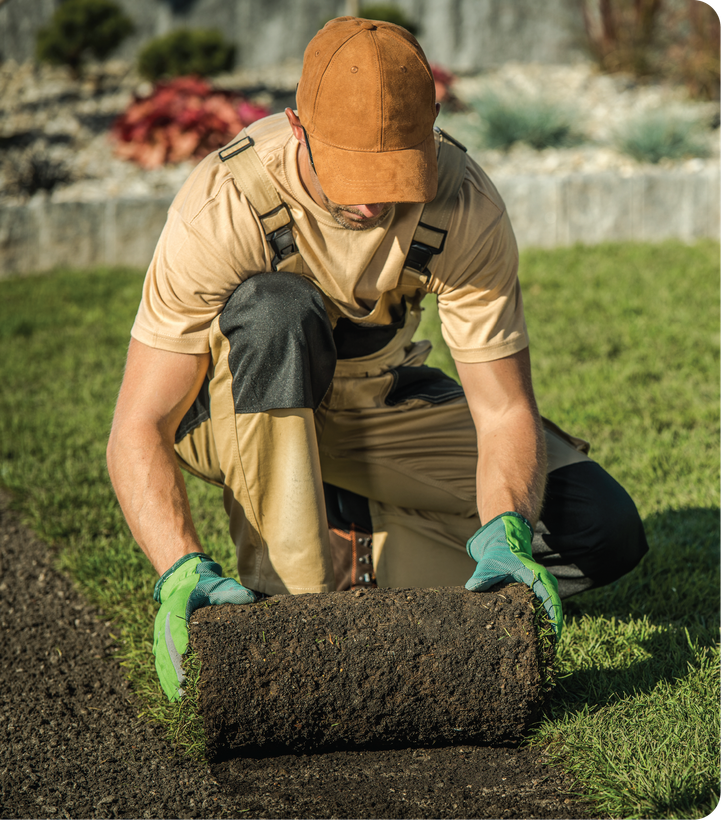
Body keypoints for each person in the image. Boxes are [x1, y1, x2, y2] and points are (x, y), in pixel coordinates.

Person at [106, 17, 648, 702]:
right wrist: (178, 568)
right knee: (276, 308)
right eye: (351, 172)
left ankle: (354, 541)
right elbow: (141, 424)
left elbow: (503, 406)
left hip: (376, 402)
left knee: (599, 529)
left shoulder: (463, 203)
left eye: (392, 174)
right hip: (238, 412)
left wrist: (506, 527)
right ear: (298, 128)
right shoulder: (225, 205)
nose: (369, 200)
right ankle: (289, 592)